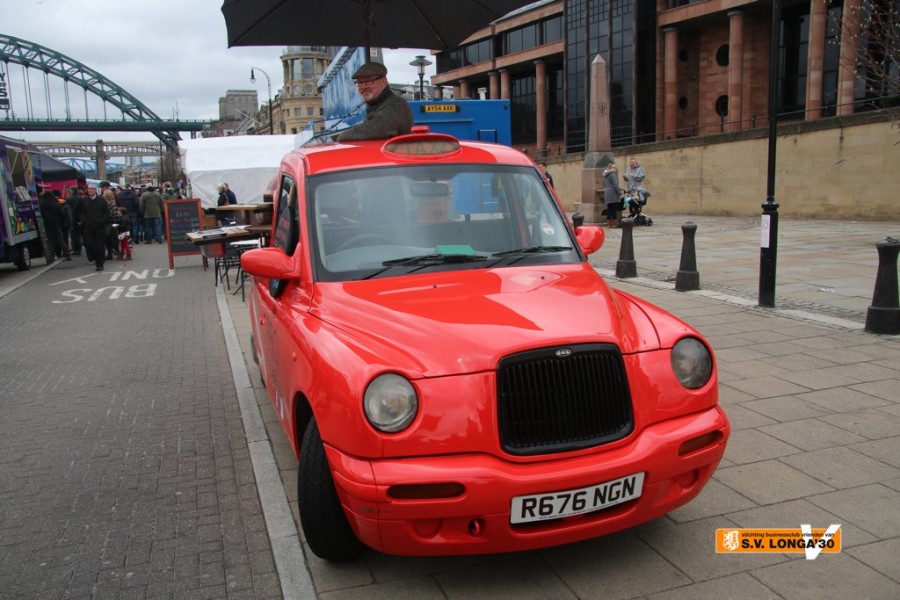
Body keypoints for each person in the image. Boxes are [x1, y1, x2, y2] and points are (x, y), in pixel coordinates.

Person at [336, 62, 413, 141]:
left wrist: (341, 137)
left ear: (384, 81)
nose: (363, 87)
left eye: (369, 81)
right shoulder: (376, 104)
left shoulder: (396, 105)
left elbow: (378, 128)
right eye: (360, 82)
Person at [80, 184, 109, 271]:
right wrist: (84, 220)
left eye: (92, 189)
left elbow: (106, 212)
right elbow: (80, 212)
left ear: (95, 190)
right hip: (88, 227)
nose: (90, 190)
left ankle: (100, 264)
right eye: (89, 189)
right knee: (89, 245)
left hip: (99, 227)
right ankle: (93, 258)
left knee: (100, 246)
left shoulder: (101, 200)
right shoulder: (83, 200)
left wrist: (102, 221)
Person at [39, 190, 71, 260]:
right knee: (60, 239)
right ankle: (67, 253)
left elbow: (41, 215)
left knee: (50, 241)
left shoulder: (42, 205)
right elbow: (61, 214)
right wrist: (62, 222)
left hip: (47, 224)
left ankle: (52, 255)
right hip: (56, 224)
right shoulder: (55, 204)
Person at [602, 162, 623, 228]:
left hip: (607, 193)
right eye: (614, 167)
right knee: (614, 209)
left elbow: (604, 183)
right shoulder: (613, 174)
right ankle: (614, 223)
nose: (615, 169)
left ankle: (609, 224)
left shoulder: (605, 174)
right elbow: (615, 185)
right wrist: (620, 193)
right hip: (613, 193)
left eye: (615, 167)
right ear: (610, 168)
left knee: (609, 209)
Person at [65, 186, 84, 255]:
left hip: (72, 219)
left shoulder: (69, 199)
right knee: (80, 233)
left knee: (73, 235)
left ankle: (75, 249)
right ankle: (80, 248)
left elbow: (67, 210)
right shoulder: (81, 198)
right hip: (80, 219)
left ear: (72, 191)